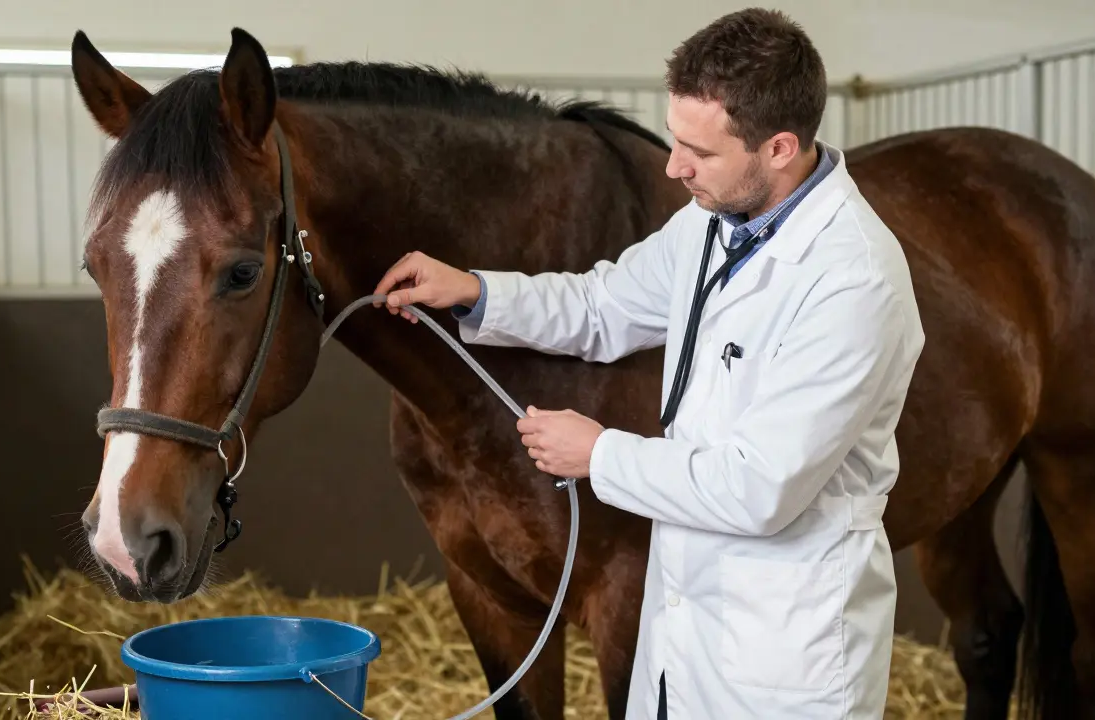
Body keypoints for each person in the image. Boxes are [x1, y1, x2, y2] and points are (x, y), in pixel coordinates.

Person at [372, 8, 924, 719]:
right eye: (674, 138)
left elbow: (759, 489)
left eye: (700, 151)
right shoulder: (713, 221)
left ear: (780, 148)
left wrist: (599, 454)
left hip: (786, 651)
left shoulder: (852, 281)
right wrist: (477, 291)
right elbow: (604, 305)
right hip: (686, 627)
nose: (674, 166)